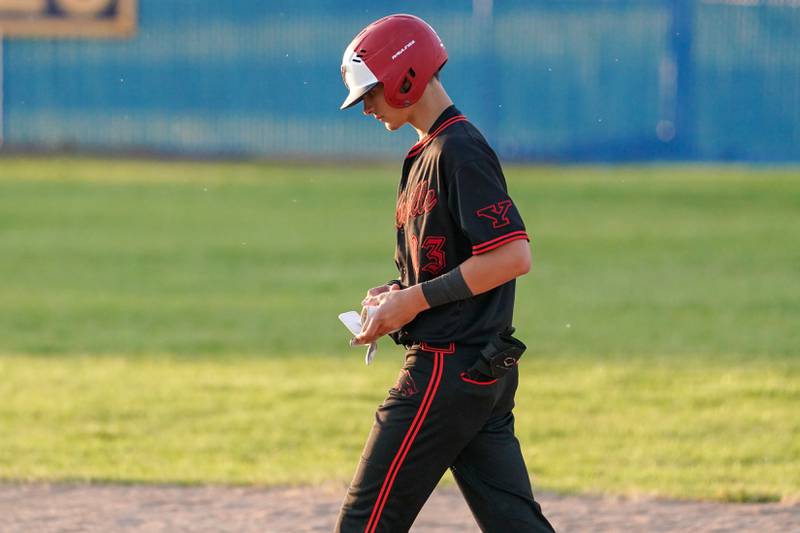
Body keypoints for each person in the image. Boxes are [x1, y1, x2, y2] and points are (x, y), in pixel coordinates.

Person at [335, 14, 556, 533]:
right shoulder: (426, 153)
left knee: (364, 524)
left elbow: (512, 257)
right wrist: (397, 294)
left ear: (405, 76)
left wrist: (412, 302)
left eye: (371, 93)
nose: (367, 107)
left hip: (445, 368)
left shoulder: (459, 149)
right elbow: (450, 263)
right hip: (478, 366)